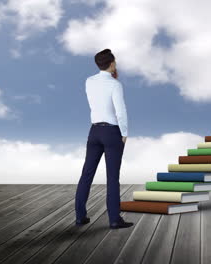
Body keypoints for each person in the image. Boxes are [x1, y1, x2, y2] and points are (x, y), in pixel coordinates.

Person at [75, 49, 134, 229]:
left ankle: (80, 216)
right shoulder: (115, 85)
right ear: (112, 63)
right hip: (111, 132)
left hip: (94, 131)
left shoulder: (89, 81)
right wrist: (124, 133)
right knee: (112, 177)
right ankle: (114, 219)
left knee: (86, 174)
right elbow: (120, 111)